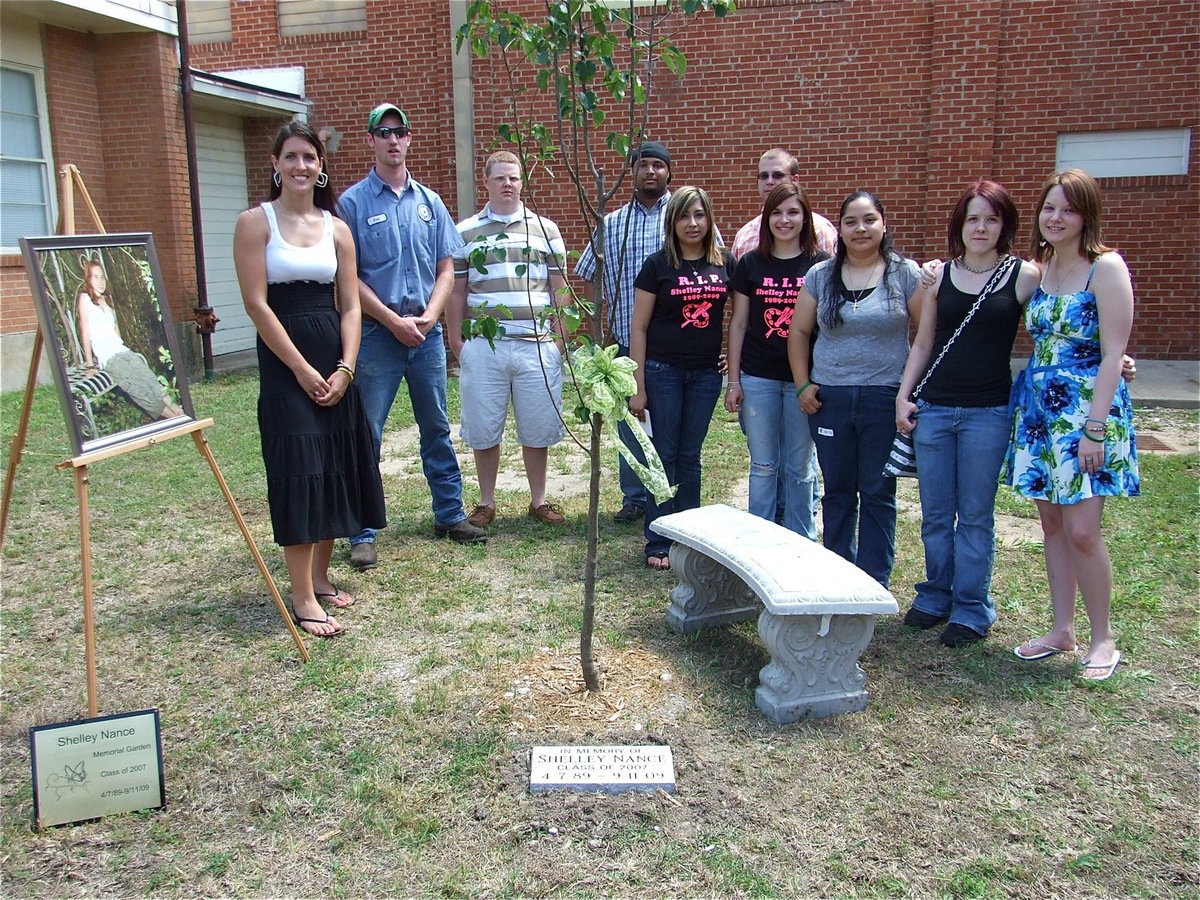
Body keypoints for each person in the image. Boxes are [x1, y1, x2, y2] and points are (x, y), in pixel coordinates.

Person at [233, 121, 386, 638]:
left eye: (310, 157)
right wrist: (301, 368)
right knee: (299, 470)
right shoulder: (255, 223)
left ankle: (320, 576)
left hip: (336, 362)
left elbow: (349, 305)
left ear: (321, 167)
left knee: (335, 466)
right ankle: (301, 597)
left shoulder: (337, 228)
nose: (301, 165)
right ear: (275, 164)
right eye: (292, 156)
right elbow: (256, 304)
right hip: (285, 365)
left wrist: (345, 367)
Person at [338, 102, 485, 569]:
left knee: (437, 429)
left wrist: (428, 318)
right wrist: (390, 319)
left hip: (426, 338)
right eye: (383, 133)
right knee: (368, 433)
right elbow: (349, 277)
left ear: (409, 139)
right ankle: (360, 531)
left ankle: (449, 514)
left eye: (400, 132)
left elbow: (447, 267)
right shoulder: (351, 204)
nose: (393, 140)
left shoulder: (430, 202)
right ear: (371, 141)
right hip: (379, 337)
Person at [895, 181, 1041, 646]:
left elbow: (1060, 324)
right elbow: (924, 341)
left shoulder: (1024, 276)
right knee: (936, 514)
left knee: (975, 516)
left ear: (1005, 225)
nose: (981, 227)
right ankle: (935, 595)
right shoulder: (939, 276)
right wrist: (904, 395)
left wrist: (1114, 359)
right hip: (935, 409)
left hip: (988, 413)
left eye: (991, 219)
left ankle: (972, 608)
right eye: (973, 218)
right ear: (960, 224)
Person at [1007, 169, 1138, 681]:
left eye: (1068, 209)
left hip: (1088, 413)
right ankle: (1062, 630)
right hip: (1042, 413)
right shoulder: (1040, 269)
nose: (1056, 218)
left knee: (1083, 530)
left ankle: (1103, 637)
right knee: (1053, 526)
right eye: (1049, 208)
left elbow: (1114, 354)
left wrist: (1096, 429)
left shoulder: (1105, 268)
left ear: (1086, 215)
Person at [787, 191, 920, 587]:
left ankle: (875, 578)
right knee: (839, 489)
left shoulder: (904, 274)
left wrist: (907, 393)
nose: (860, 229)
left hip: (884, 398)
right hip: (831, 399)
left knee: (878, 490)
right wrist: (802, 386)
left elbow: (928, 334)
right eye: (851, 222)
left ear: (883, 224)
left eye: (869, 220)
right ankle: (838, 572)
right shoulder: (821, 275)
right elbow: (798, 332)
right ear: (839, 229)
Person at [446, 150, 569, 528]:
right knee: (484, 428)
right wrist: (456, 340)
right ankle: (485, 502)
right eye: (500, 177)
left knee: (538, 427)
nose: (507, 184)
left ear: (522, 182)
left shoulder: (545, 229)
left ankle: (539, 500)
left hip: (536, 343)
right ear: (486, 182)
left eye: (514, 178)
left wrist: (560, 341)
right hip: (486, 347)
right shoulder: (465, 231)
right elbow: (456, 290)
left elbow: (560, 286)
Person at [730, 148, 836, 528]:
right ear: (766, 218)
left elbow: (827, 326)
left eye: (793, 212)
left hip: (803, 382)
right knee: (762, 465)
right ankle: (759, 544)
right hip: (758, 378)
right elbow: (739, 324)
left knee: (800, 465)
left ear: (805, 216)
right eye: (776, 213)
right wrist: (734, 380)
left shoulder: (821, 264)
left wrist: (817, 379)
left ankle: (801, 543)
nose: (784, 220)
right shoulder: (750, 263)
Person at [628, 187, 731, 569]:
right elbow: (638, 328)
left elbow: (740, 319)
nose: (693, 223)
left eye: (699, 215)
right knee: (664, 455)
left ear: (709, 220)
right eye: (685, 216)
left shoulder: (725, 263)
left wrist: (730, 361)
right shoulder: (657, 266)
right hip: (662, 372)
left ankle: (691, 537)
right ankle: (658, 538)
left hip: (705, 374)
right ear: (672, 221)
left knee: (690, 456)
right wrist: (638, 386)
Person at [76, 259, 183, 421]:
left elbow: (115, 332)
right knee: (138, 389)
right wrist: (90, 366)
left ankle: (177, 410)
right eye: (96, 277)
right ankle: (173, 418)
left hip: (123, 351)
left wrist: (125, 348)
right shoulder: (84, 299)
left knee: (148, 378)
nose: (100, 281)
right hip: (110, 358)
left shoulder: (107, 301)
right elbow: (85, 333)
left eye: (102, 277)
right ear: (88, 279)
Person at [730, 148, 837, 260]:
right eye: (764, 176)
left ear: (795, 180)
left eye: (777, 175)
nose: (769, 181)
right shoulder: (744, 236)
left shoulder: (820, 231)